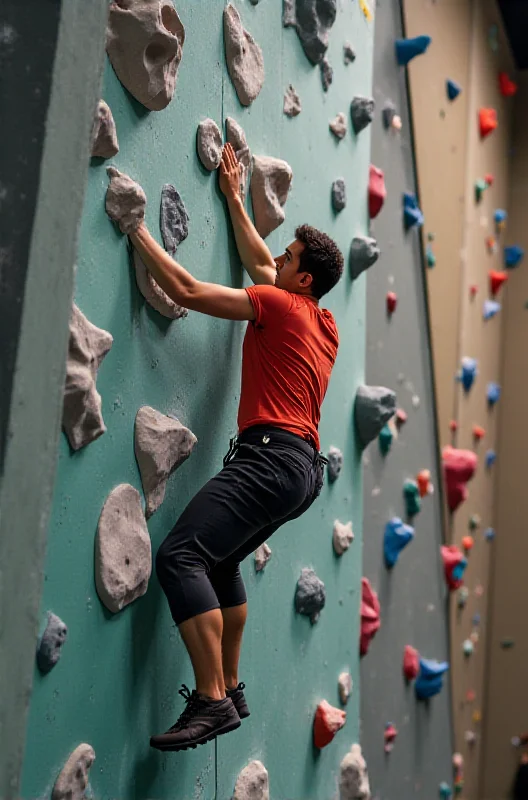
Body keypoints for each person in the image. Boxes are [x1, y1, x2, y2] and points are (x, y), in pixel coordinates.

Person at [126, 143, 344, 751]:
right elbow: (264, 267)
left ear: (301, 279)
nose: (277, 258)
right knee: (220, 563)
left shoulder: (280, 306)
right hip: (301, 470)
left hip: (271, 458)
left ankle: (213, 699)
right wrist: (231, 195)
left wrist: (135, 229)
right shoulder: (322, 325)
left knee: (181, 557)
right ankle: (234, 686)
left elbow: (191, 292)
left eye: (290, 256)